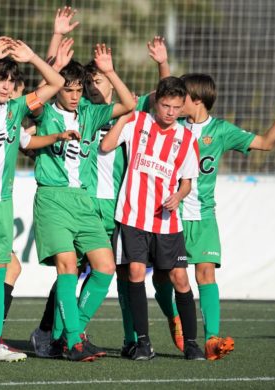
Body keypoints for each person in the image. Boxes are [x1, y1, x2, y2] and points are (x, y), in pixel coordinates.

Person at [0, 36, 76, 363]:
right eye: (0, 79)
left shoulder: (16, 108)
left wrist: (32, 55)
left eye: (10, 80)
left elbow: (57, 82)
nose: (7, 86)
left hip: (2, 204)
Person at [163, 73, 275, 360]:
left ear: (195, 100)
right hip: (173, 214)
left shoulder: (220, 130)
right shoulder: (172, 126)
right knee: (170, 276)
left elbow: (266, 143)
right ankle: (175, 318)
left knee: (205, 273)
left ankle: (211, 341)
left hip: (204, 216)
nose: (174, 102)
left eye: (181, 96)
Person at [31, 36, 136, 361]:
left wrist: (110, 71)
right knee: (67, 268)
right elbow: (30, 101)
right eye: (68, 89)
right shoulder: (46, 113)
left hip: (84, 202)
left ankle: (71, 334)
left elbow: (129, 105)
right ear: (57, 89)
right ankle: (73, 340)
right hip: (53, 200)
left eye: (78, 90)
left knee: (104, 267)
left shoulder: (91, 112)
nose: (75, 96)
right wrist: (53, 67)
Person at [101, 76, 205, 361]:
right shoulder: (136, 121)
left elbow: (187, 181)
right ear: (156, 101)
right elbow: (107, 145)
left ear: (183, 106)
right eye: (165, 105)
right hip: (133, 216)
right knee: (135, 273)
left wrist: (179, 197)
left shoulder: (186, 138)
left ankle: (192, 343)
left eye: (176, 107)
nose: (170, 112)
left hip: (167, 221)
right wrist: (124, 114)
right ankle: (143, 342)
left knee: (180, 278)